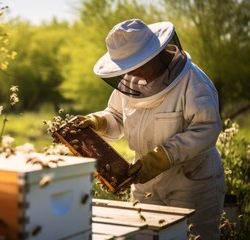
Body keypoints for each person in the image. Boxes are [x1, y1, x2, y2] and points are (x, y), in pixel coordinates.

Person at [78, 19, 225, 239]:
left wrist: (162, 157)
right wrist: (98, 121)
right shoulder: (129, 85)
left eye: (137, 65)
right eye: (128, 67)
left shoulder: (193, 81)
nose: (133, 73)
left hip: (192, 181)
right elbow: (117, 117)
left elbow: (206, 129)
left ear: (154, 54)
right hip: (144, 182)